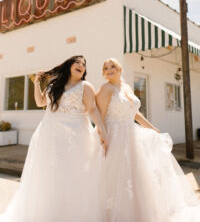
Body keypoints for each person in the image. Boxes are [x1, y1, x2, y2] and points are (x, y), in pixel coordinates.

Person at [0, 55, 107, 222]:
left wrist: (102, 131)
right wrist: (36, 83)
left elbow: (93, 110)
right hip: (49, 134)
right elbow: (40, 102)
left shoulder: (85, 86)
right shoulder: (55, 85)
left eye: (84, 64)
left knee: (73, 175)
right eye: (77, 62)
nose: (81, 65)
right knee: (49, 175)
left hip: (76, 136)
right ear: (69, 65)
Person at [96, 58, 200, 222]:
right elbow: (100, 116)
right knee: (116, 176)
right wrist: (103, 138)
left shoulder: (126, 87)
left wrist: (152, 128)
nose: (109, 69)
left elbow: (135, 113)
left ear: (119, 69)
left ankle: (139, 213)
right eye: (106, 67)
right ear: (103, 73)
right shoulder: (105, 88)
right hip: (115, 137)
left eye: (112, 66)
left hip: (131, 136)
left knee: (137, 175)